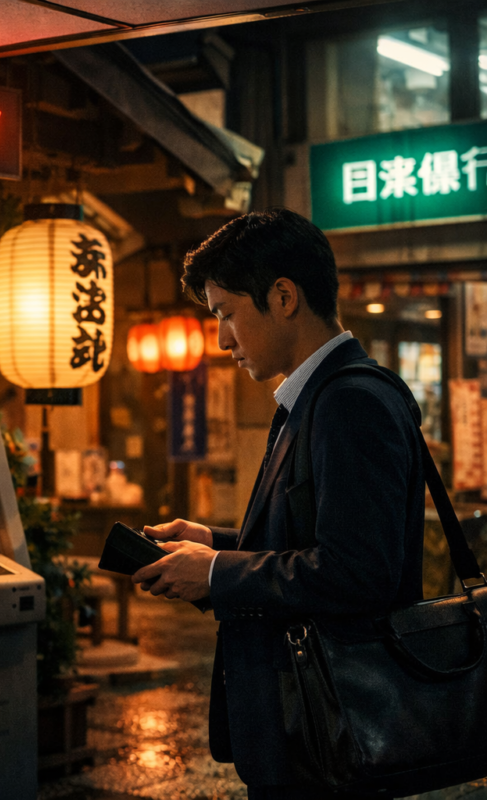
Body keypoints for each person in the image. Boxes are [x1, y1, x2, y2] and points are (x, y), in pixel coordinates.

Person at [131, 208, 426, 800]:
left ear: (284, 296)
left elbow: (357, 573)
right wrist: (216, 544)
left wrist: (216, 573)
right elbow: (315, 542)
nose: (221, 339)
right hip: (313, 730)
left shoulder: (349, 403)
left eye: (227, 314)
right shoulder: (319, 395)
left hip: (334, 732)